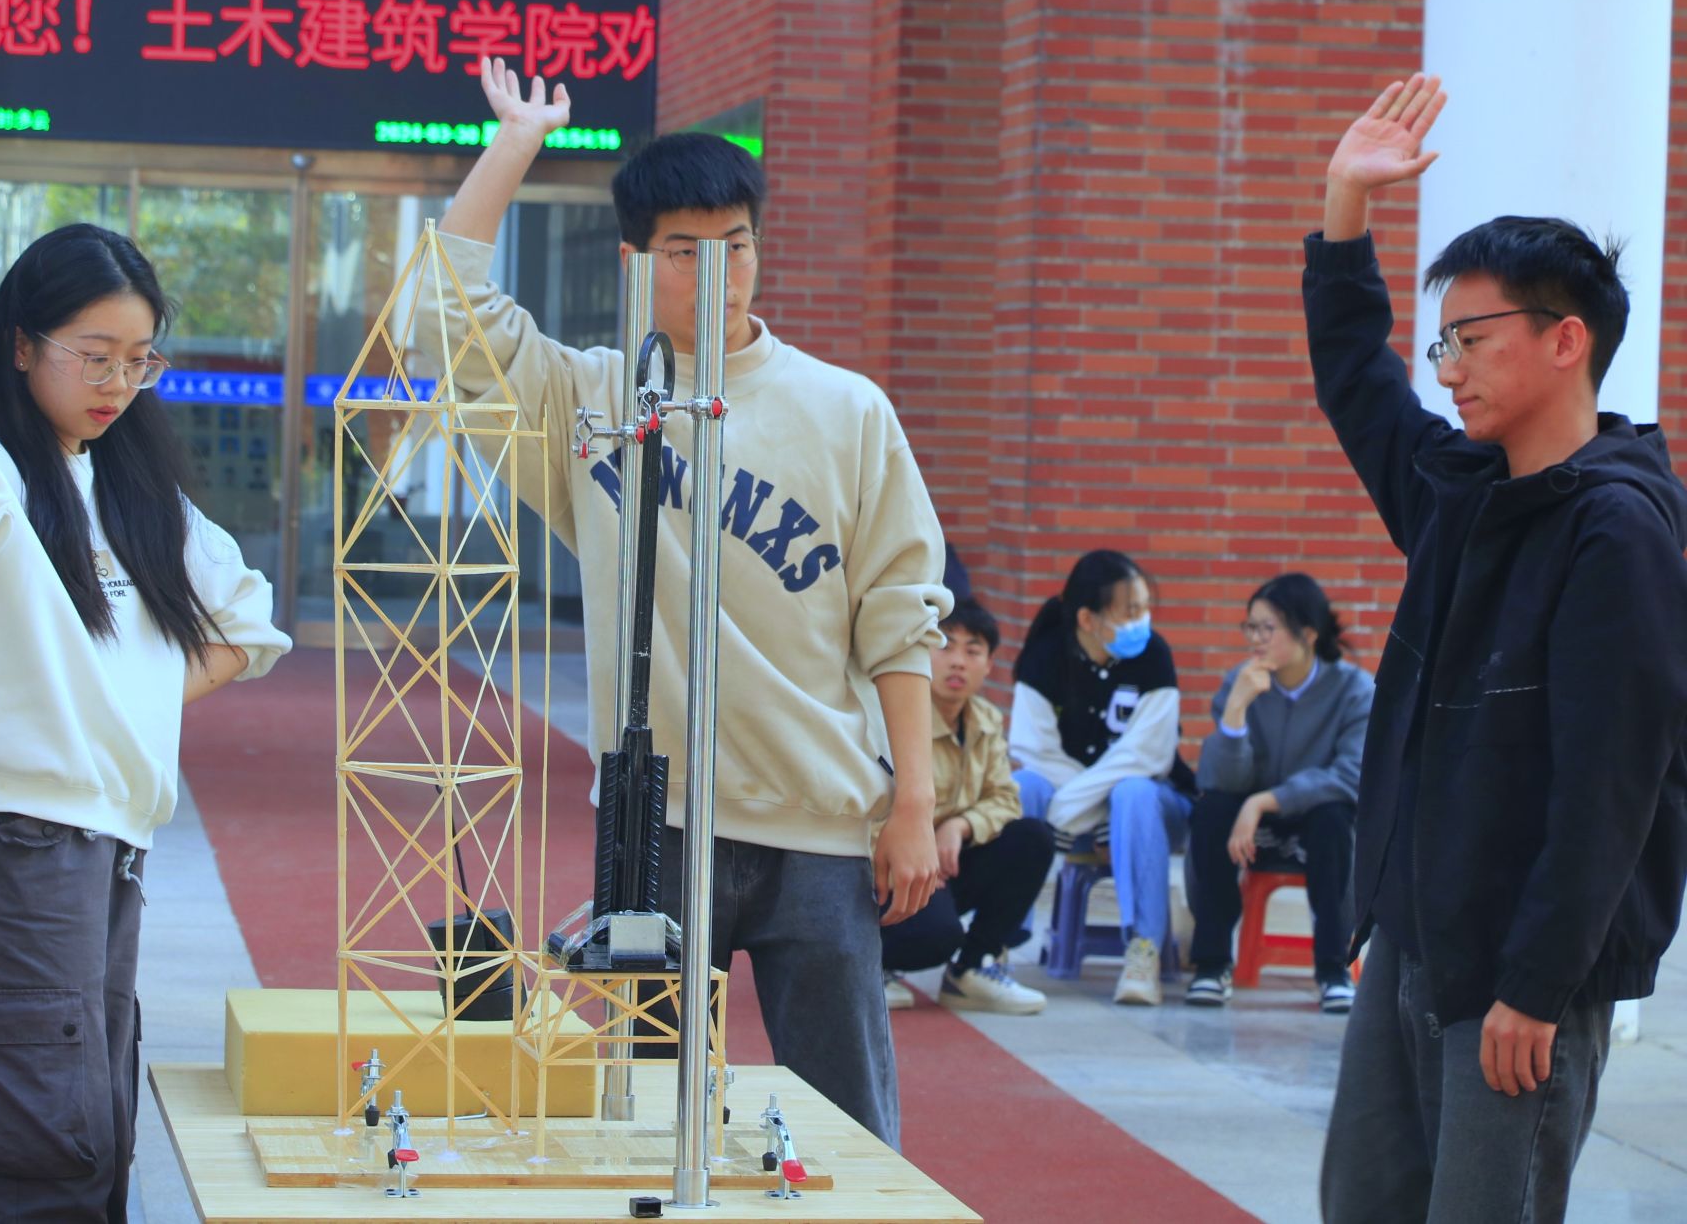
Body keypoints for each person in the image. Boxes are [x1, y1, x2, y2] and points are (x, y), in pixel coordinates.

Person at [408, 59, 951, 1148]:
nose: (719, 272)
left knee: (848, 1129)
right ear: (633, 260)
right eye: (684, 251)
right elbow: (441, 322)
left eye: (736, 244)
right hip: (652, 823)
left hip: (817, 818)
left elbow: (900, 616)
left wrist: (913, 803)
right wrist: (518, 142)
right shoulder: (594, 399)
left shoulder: (846, 410)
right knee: (648, 1126)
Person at [1307, 75, 1687, 1223]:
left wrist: (1535, 986)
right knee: (1362, 1204)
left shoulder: (1617, 531)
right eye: (1442, 343)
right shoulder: (1459, 492)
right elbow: (1358, 384)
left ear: (1565, 340)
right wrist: (1342, 209)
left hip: (1519, 979)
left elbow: (1607, 790)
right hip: (1412, 940)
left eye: (1470, 341)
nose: (1446, 370)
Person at [0, 155, 291, 1221]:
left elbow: (246, 621)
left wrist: (123, 692)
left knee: (89, 1132)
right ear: (22, 347)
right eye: (94, 356)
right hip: (3, 841)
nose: (116, 383)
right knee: (32, 1146)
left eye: (138, 361)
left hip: (106, 848)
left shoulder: (132, 488)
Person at [1009, 548, 1190, 1005]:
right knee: (1023, 788)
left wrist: (1076, 809)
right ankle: (998, 941)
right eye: (1129, 611)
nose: (1141, 621)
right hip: (1072, 804)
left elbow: (1148, 756)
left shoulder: (1154, 656)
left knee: (1133, 793)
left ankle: (1143, 951)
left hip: (1153, 808)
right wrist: (1092, 809)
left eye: (1144, 608)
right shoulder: (1045, 655)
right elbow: (1033, 751)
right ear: (1088, 619)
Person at [1187, 573, 1372, 1013]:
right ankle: (1211, 965)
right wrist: (1236, 711)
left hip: (1314, 819)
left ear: (1307, 633)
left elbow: (1351, 775)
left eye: (1266, 628)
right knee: (1211, 811)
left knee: (1334, 817)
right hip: (1252, 825)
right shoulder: (1240, 682)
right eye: (1250, 627)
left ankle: (1334, 970)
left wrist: (1264, 801)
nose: (1255, 639)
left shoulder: (1354, 690)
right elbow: (1219, 780)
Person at [881, 598, 1056, 1015]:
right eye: (945, 645)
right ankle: (871, 966)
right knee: (935, 937)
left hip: (945, 868)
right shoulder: (894, 713)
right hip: (886, 869)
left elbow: (1005, 799)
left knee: (1032, 838)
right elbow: (868, 807)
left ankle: (973, 968)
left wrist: (959, 827)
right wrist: (917, 846)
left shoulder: (985, 719)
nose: (958, 661)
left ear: (990, 664)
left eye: (973, 651)